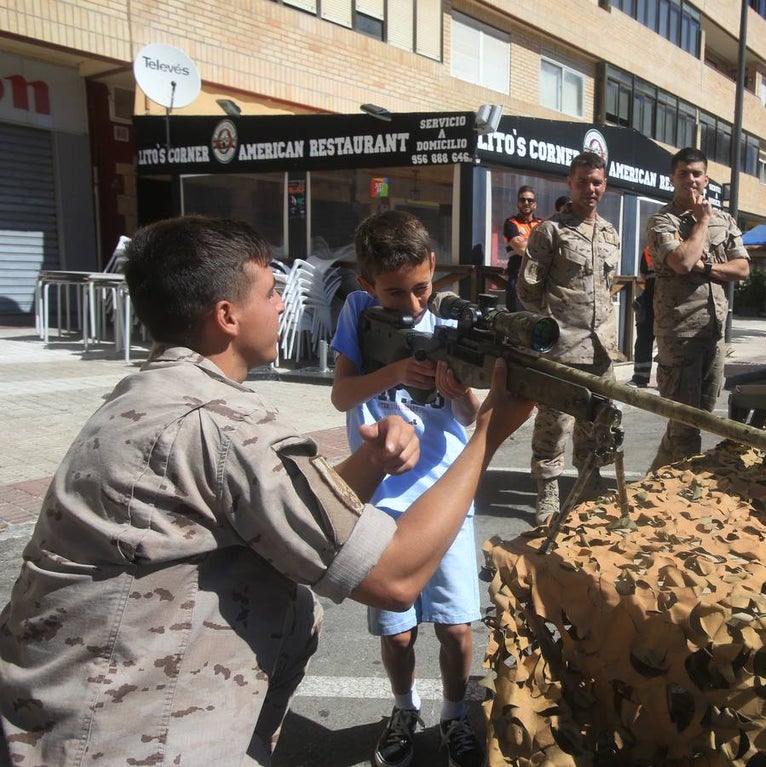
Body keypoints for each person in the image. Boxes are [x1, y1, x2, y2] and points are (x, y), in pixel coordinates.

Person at [0, 216, 533, 767]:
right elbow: (393, 578)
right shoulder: (229, 429)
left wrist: (371, 461)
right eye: (271, 291)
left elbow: (282, 507)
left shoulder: (140, 395)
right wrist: (491, 432)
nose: (283, 304)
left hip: (64, 724)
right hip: (134, 741)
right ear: (227, 317)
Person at [329, 210, 489, 767]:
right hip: (383, 497)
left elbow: (466, 416)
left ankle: (452, 714)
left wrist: (457, 387)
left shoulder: (447, 317)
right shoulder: (355, 311)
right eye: (394, 293)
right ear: (368, 284)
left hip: (444, 492)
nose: (413, 305)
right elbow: (343, 395)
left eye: (422, 287)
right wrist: (396, 374)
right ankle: (404, 708)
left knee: (456, 628)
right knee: (397, 636)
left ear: (434, 271)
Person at [518, 152, 620, 524]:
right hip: (563, 348)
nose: (590, 188)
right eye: (583, 181)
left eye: (596, 182)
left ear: (604, 184)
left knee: (599, 423)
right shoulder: (551, 230)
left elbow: (607, 288)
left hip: (602, 350)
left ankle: (588, 487)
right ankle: (547, 495)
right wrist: (550, 328)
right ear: (570, 183)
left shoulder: (610, 233)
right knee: (553, 425)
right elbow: (529, 289)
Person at [645, 147, 750, 471]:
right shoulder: (663, 221)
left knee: (699, 416)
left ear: (706, 178)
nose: (690, 180)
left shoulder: (726, 220)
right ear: (672, 178)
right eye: (683, 174)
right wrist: (702, 222)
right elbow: (682, 261)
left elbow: (743, 269)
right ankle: (671, 495)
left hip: (713, 333)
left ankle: (655, 481)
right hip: (680, 333)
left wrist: (706, 269)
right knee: (684, 424)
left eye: (696, 173)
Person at [502, 185, 543, 312]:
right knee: (517, 320)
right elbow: (520, 248)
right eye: (522, 200)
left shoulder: (542, 224)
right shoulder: (511, 223)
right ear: (517, 204)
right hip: (518, 277)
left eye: (530, 200)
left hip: (539, 279)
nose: (526, 203)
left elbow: (550, 249)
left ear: (535, 205)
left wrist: (526, 241)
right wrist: (538, 244)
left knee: (537, 321)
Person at [628, 246, 656, 387]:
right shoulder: (648, 251)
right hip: (651, 301)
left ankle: (665, 379)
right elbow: (644, 276)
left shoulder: (681, 246)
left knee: (669, 343)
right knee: (643, 339)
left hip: (671, 302)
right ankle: (640, 376)